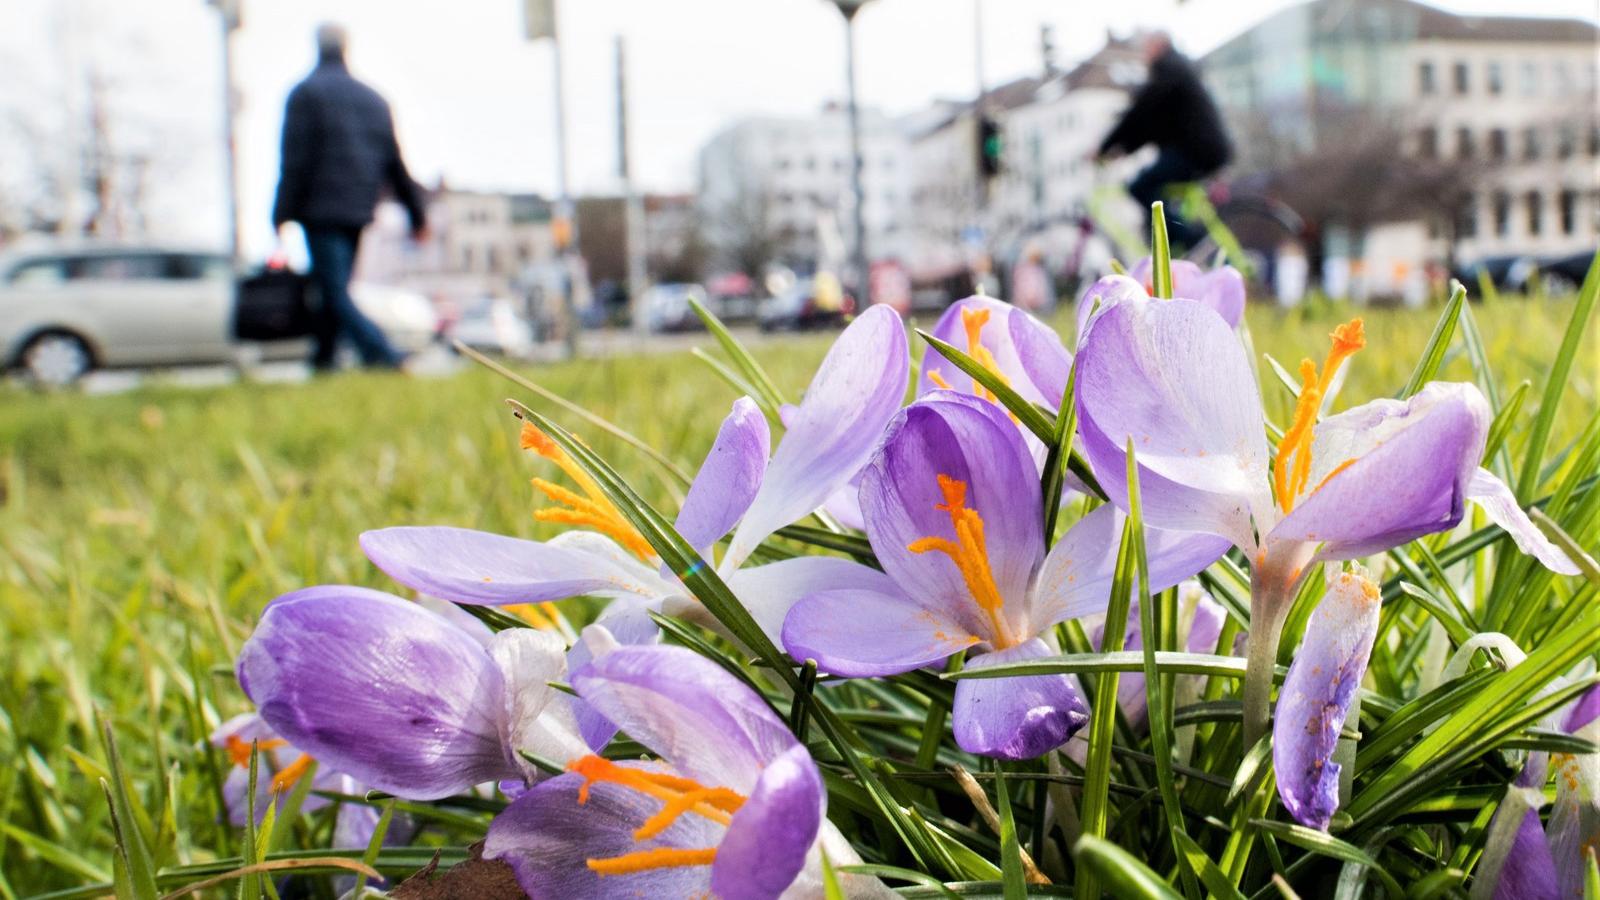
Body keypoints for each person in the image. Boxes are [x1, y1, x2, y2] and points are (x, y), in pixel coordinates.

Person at [272, 23, 426, 371]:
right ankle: (324, 359)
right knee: (333, 287)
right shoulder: (373, 100)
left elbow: (293, 160)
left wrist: (280, 212)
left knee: (334, 290)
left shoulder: (304, 94)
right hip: (358, 208)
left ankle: (382, 353)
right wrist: (417, 215)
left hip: (320, 211)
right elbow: (395, 163)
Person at [1096, 31, 1233, 253]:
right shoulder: (1176, 70)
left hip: (1198, 151)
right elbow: (1153, 126)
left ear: (1158, 46)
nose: (1144, 55)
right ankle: (1178, 248)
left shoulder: (1169, 69)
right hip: (1201, 149)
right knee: (1157, 190)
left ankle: (1190, 240)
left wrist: (1104, 147)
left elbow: (1141, 112)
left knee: (1140, 186)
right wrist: (1123, 149)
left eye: (1146, 48)